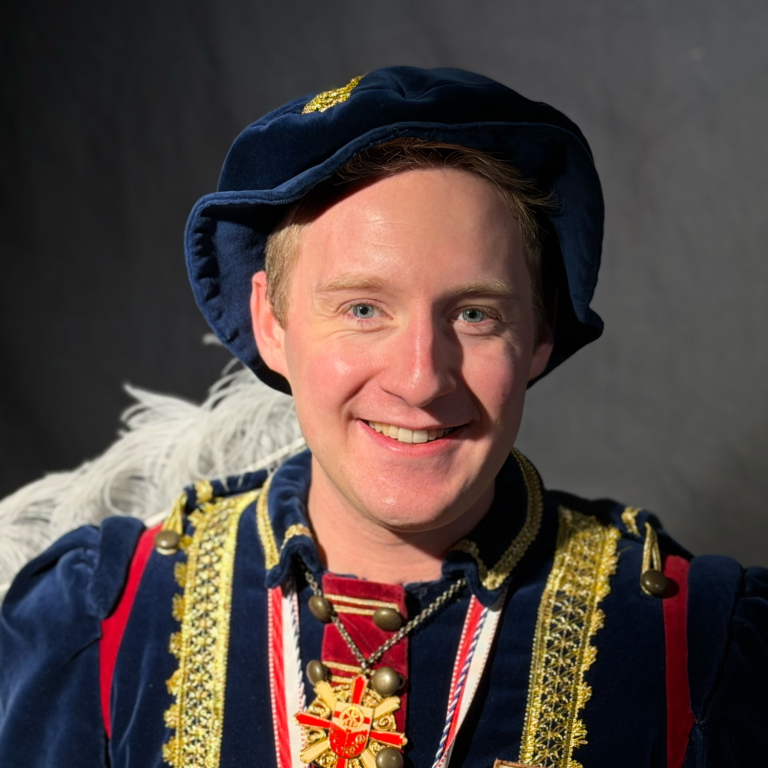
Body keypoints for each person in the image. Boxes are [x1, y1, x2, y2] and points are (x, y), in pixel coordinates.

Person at [0, 66, 765, 768]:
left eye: (474, 313)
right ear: (271, 323)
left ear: (539, 332)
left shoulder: (696, 646)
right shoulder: (98, 623)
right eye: (363, 308)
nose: (420, 379)